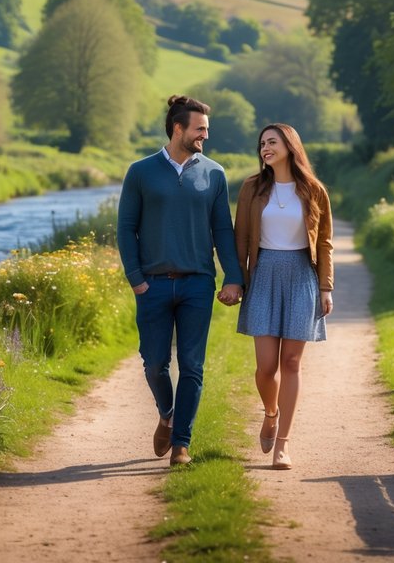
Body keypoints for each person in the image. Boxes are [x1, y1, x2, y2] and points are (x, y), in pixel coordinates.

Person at [117, 95, 244, 466]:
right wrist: (136, 279)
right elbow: (126, 229)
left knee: (192, 365)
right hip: (152, 285)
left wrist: (232, 277)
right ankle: (168, 415)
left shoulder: (215, 173)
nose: (205, 135)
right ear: (178, 129)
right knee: (154, 363)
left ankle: (181, 445)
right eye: (200, 129)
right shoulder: (141, 172)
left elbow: (223, 229)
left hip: (197, 285)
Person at [218, 123, 333, 470]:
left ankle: (283, 444)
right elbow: (240, 241)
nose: (265, 148)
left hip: (301, 276)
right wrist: (235, 280)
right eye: (262, 144)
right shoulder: (252, 188)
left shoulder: (313, 190)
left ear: (289, 145)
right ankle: (271, 413)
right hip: (265, 274)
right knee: (266, 368)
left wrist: (326, 286)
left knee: (292, 364)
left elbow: (324, 242)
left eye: (272, 142)